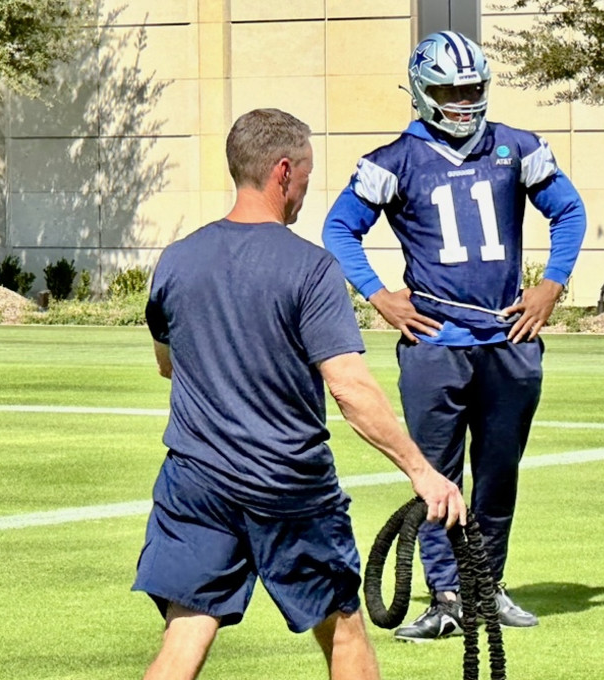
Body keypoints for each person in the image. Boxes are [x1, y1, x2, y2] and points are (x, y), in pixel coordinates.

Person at [133, 107, 467, 680]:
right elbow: (350, 388)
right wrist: (422, 471)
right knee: (344, 630)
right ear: (283, 172)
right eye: (308, 177)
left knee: (187, 630)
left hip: (195, 483)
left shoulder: (176, 260)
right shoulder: (311, 268)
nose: (307, 191)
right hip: (289, 486)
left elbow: (168, 364)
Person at [322, 31, 587, 642]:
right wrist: (380, 294)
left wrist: (552, 283)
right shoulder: (393, 161)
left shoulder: (517, 147)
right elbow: (340, 229)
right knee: (436, 474)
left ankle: (486, 587)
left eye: (471, 88)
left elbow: (568, 211)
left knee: (499, 471)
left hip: (509, 337)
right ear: (421, 92)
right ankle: (445, 595)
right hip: (436, 344)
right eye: (449, 90)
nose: (463, 102)